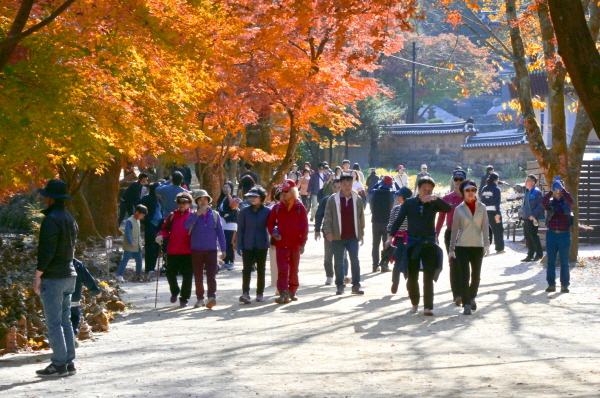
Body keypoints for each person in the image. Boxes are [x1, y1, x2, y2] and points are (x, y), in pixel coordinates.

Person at [33, 180, 78, 377]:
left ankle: (59, 363)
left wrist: (37, 275)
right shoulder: (69, 218)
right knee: (65, 320)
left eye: (45, 196)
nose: (43, 199)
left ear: (50, 198)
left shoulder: (51, 220)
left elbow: (47, 251)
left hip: (54, 276)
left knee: (54, 322)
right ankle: (68, 362)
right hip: (69, 274)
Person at [388, 176, 451, 316]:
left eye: (430, 190)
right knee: (411, 276)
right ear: (418, 189)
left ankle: (428, 307)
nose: (427, 192)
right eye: (424, 189)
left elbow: (448, 209)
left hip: (429, 243)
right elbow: (398, 220)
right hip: (412, 243)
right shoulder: (409, 203)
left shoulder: (434, 203)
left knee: (428, 276)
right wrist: (390, 237)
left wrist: (435, 198)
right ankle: (415, 303)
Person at [448, 180, 490, 315]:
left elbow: (485, 227)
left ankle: (472, 297)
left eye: (473, 190)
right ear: (463, 193)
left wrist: (487, 244)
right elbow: (454, 230)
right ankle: (466, 303)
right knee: (464, 275)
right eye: (467, 190)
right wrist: (451, 249)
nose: (470, 193)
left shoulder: (482, 207)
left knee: (476, 276)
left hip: (477, 246)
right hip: (462, 246)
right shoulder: (458, 209)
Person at [322, 173, 366, 295]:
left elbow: (361, 217)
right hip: (338, 236)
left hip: (353, 236)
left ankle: (356, 285)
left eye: (350, 184)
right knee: (338, 261)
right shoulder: (333, 199)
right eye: (345, 184)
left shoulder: (357, 198)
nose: (347, 187)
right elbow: (328, 217)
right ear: (340, 184)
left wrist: (361, 233)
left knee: (355, 260)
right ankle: (340, 285)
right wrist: (328, 231)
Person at [267, 180, 309, 304]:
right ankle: (283, 292)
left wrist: (303, 243)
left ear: (293, 192)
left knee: (294, 269)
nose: (284, 194)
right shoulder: (277, 207)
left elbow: (304, 227)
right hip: (281, 244)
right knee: (282, 269)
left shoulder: (300, 207)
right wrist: (273, 233)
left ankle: (293, 290)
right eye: (282, 192)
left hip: (295, 244)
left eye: (286, 191)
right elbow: (270, 224)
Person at [185, 190, 226, 309]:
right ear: (197, 202)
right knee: (198, 275)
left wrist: (223, 249)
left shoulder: (215, 214)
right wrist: (197, 214)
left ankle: (212, 297)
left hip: (211, 249)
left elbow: (220, 233)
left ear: (208, 201)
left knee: (211, 275)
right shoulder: (192, 214)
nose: (203, 202)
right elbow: (186, 226)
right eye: (200, 200)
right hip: (196, 249)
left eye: (205, 200)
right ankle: (200, 299)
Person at [156, 192, 194, 307]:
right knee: (170, 274)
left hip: (188, 251)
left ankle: (184, 298)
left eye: (185, 202)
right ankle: (175, 291)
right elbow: (165, 229)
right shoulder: (172, 216)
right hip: (173, 250)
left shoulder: (193, 216)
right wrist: (160, 235)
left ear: (189, 204)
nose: (182, 204)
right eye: (179, 202)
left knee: (187, 276)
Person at [435, 168, 466, 305]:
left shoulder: (470, 197)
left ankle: (465, 292)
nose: (458, 182)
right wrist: (435, 234)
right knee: (454, 262)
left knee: (465, 263)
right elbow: (441, 217)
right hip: (450, 233)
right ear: (453, 181)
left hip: (467, 233)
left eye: (461, 179)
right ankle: (457, 295)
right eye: (456, 179)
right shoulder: (447, 199)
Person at [237, 186, 271, 303]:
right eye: (251, 196)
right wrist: (239, 245)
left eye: (255, 196)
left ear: (261, 198)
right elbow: (240, 229)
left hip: (262, 244)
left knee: (261, 270)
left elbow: (272, 226)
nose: (252, 199)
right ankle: (245, 293)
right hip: (248, 244)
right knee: (246, 270)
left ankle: (260, 293)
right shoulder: (244, 212)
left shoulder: (267, 212)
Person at [541, 177, 574, 293]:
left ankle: (564, 285)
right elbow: (543, 202)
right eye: (555, 189)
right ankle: (551, 284)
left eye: (558, 188)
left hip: (564, 235)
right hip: (552, 235)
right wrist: (550, 191)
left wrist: (563, 190)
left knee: (565, 261)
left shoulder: (567, 202)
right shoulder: (550, 203)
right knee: (551, 261)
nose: (557, 191)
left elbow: (571, 201)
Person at [315, 178, 349, 285]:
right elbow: (319, 215)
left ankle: (344, 275)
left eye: (339, 187)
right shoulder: (325, 200)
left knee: (343, 255)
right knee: (328, 256)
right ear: (332, 188)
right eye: (335, 187)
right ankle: (329, 275)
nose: (337, 189)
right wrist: (317, 230)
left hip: (343, 233)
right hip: (328, 232)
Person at [386, 186, 412, 294]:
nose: (397, 197)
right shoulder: (395, 209)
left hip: (410, 239)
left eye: (399, 195)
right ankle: (395, 282)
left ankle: (410, 284)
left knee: (410, 263)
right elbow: (390, 225)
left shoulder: (412, 209)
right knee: (397, 263)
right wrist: (388, 239)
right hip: (398, 239)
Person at [70, 259, 101, 344]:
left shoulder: (54, 261)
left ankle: (59, 341)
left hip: (57, 297)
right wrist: (96, 291)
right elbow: (88, 279)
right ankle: (72, 337)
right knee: (74, 318)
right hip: (73, 296)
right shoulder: (77, 264)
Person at [116, 205, 147, 283]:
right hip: (130, 245)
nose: (142, 217)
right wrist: (130, 241)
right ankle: (119, 275)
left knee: (139, 260)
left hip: (137, 245)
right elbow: (127, 233)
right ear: (137, 212)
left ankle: (138, 275)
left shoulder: (138, 221)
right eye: (142, 215)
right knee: (125, 260)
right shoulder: (129, 221)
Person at [136, 182, 163, 274]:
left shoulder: (159, 199)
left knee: (156, 246)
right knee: (150, 246)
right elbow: (137, 204)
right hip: (150, 224)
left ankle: (153, 266)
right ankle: (149, 268)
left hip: (159, 225)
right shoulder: (147, 198)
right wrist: (144, 218)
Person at [370, 175, 395, 272]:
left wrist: (378, 183)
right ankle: (384, 265)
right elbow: (400, 190)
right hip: (387, 222)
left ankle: (375, 265)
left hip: (375, 221)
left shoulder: (375, 193)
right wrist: (394, 183)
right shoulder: (391, 193)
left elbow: (371, 190)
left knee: (375, 245)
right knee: (386, 244)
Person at [216, 182, 239, 271]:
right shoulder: (221, 198)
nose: (226, 189)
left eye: (228, 188)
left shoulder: (234, 198)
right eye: (224, 187)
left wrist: (229, 195)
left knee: (230, 243)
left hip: (230, 224)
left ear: (231, 189)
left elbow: (233, 207)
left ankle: (231, 262)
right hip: (222, 223)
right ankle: (225, 261)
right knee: (223, 243)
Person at [522, 174, 545, 261]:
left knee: (534, 236)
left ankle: (539, 254)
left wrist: (533, 215)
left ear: (533, 182)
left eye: (528, 180)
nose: (526, 182)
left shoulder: (537, 192)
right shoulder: (527, 191)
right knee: (527, 236)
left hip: (533, 218)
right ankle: (530, 255)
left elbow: (541, 205)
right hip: (526, 217)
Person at [480, 172, 505, 253]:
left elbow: (482, 200)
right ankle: (499, 248)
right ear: (496, 180)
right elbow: (497, 202)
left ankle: (484, 247)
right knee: (498, 230)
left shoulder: (484, 188)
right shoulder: (496, 189)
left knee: (486, 230)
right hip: (494, 212)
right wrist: (498, 213)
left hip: (485, 212)